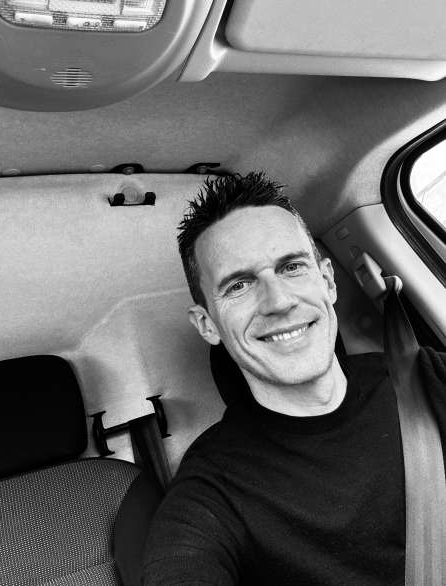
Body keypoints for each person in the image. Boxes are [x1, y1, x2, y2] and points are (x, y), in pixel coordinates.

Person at [141, 171, 446, 585]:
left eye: (291, 267)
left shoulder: (426, 376)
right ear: (207, 324)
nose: (279, 301)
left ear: (327, 281)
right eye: (239, 285)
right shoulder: (211, 490)